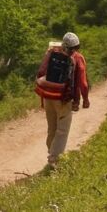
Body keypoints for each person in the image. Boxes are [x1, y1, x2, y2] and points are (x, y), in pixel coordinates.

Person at [35, 31, 90, 169]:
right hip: (63, 99)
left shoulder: (51, 52)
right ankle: (54, 159)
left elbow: (41, 73)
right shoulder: (77, 58)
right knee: (62, 130)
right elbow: (82, 82)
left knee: (52, 128)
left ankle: (51, 152)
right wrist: (85, 99)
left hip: (48, 97)